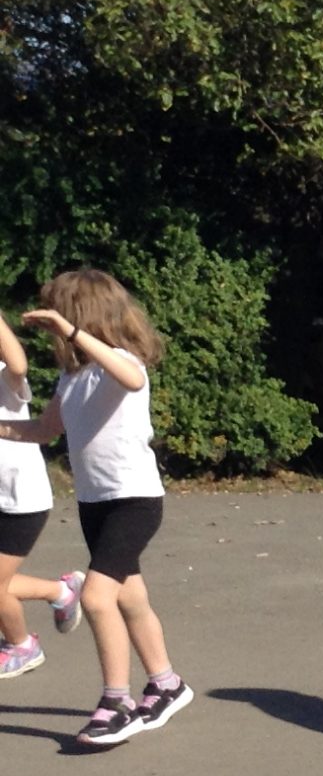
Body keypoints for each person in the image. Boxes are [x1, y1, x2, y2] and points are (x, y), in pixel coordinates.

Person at [0, 271, 187, 746]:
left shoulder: (121, 362)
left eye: (60, 317)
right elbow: (43, 430)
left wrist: (70, 331)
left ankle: (116, 702)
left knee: (98, 597)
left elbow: (133, 378)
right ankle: (166, 684)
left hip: (134, 501)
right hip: (94, 503)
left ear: (79, 317)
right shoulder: (73, 376)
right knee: (129, 596)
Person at [0, 312, 82, 679]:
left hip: (21, 499)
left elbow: (18, 363)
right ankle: (59, 592)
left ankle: (21, 646)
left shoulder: (5, 376)